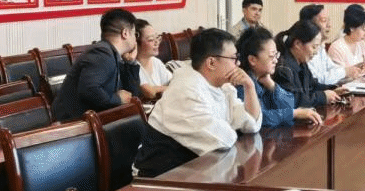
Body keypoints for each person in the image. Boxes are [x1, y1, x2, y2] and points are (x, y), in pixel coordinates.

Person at [135, 28, 262, 177]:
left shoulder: (221, 85)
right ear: (211, 62)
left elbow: (250, 124)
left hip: (198, 171)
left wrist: (249, 86)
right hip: (163, 180)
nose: (238, 64)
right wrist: (235, 127)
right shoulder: (186, 91)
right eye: (234, 58)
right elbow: (222, 140)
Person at [53, 8, 137, 122]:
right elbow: (89, 90)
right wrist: (117, 99)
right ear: (125, 33)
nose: (135, 39)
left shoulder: (112, 54)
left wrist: (131, 62)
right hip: (74, 124)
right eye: (134, 34)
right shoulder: (102, 53)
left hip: (94, 120)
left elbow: (132, 94)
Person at [237, 27, 321, 128]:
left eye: (276, 55)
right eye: (272, 56)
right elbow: (259, 118)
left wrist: (272, 85)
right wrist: (294, 113)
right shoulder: (242, 84)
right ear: (252, 60)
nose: (276, 60)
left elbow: (290, 105)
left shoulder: (264, 79)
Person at [273, 20, 344, 108]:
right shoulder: (283, 69)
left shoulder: (302, 63)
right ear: (297, 44)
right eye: (314, 47)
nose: (316, 52)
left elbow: (313, 85)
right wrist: (323, 96)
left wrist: (334, 89)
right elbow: (292, 100)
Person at [298, 4, 361, 84]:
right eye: (324, 21)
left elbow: (332, 67)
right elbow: (316, 80)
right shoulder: (304, 47)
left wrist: (350, 71)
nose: (329, 25)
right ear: (309, 24)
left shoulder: (321, 46)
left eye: (329, 21)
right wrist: (344, 72)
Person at [328, 5, 365, 74]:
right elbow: (337, 75)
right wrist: (364, 69)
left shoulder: (361, 44)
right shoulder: (336, 48)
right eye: (364, 30)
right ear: (352, 28)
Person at [133, 18, 172, 102]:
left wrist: (158, 89)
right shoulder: (133, 66)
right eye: (151, 40)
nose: (156, 42)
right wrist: (170, 88)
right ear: (136, 43)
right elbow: (150, 92)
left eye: (157, 37)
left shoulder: (156, 62)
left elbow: (173, 82)